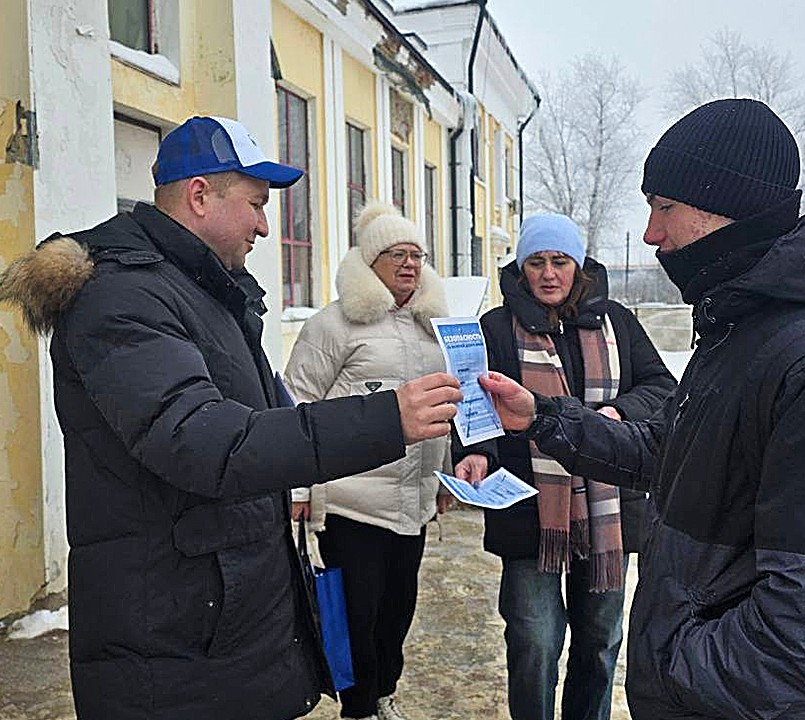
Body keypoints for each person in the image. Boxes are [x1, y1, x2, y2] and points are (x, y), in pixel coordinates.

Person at [0, 116, 461, 720]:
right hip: (170, 639)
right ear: (199, 196)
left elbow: (270, 414)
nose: (266, 226)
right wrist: (384, 419)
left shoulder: (206, 292)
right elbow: (205, 442)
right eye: (255, 205)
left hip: (219, 617)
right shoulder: (121, 295)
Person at [478, 99, 805, 720]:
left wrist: (680, 674)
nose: (652, 234)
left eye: (663, 208)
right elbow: (671, 452)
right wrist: (543, 417)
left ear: (724, 209)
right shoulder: (743, 332)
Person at [454, 213, 676, 720]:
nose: (549, 273)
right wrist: (476, 453)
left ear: (578, 266)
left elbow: (662, 389)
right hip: (530, 510)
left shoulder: (617, 321)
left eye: (560, 261)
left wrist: (619, 415)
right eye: (537, 262)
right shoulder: (495, 328)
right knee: (534, 640)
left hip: (608, 512)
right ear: (522, 267)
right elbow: (477, 409)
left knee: (600, 639)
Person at [283, 201, 453, 720]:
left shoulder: (434, 329)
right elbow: (295, 406)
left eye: (416, 255)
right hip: (352, 504)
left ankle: (384, 696)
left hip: (413, 503)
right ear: (369, 262)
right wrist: (298, 491)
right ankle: (358, 708)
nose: (409, 264)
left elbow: (444, 405)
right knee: (355, 615)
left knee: (397, 613)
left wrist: (444, 479)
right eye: (396, 254)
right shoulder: (333, 326)